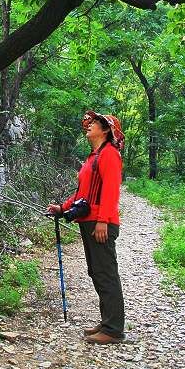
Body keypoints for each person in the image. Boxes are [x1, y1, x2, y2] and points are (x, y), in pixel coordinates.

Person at [47, 109, 126, 344]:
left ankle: (113, 330)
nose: (90, 124)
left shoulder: (109, 154)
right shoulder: (93, 157)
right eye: (91, 121)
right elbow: (83, 195)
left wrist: (103, 220)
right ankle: (107, 321)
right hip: (90, 221)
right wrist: (62, 208)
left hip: (100, 223)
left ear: (106, 130)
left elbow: (111, 191)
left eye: (97, 122)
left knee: (106, 273)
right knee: (97, 272)